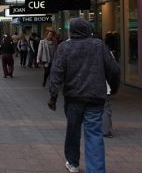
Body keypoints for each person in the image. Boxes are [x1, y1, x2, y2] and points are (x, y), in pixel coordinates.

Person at [48, 17, 121, 173]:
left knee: (73, 131)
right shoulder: (99, 45)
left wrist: (53, 96)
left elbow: (56, 73)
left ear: (71, 31)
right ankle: (96, 170)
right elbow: (114, 69)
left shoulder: (64, 47)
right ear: (88, 29)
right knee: (94, 134)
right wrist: (114, 87)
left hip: (73, 98)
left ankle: (73, 163)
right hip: (95, 97)